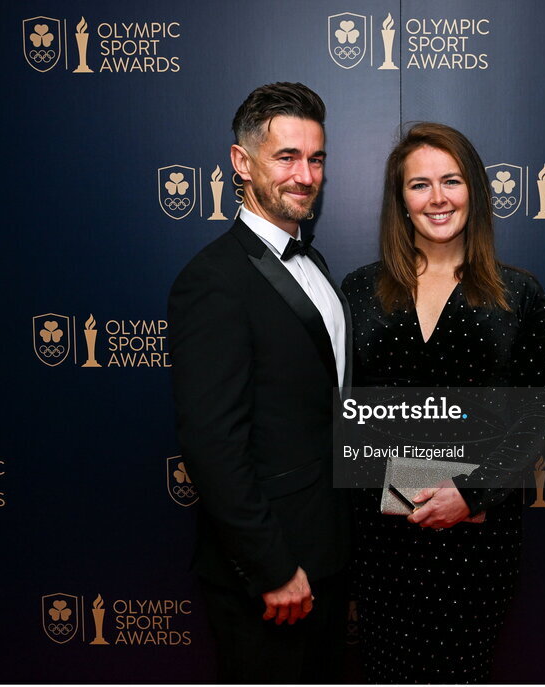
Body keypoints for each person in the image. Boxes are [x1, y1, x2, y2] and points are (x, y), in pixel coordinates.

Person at [341, 122, 545, 683]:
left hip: (476, 543)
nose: (437, 198)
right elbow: (344, 417)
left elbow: (537, 415)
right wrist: (413, 491)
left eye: (452, 181)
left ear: (476, 192)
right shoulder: (359, 292)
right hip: (382, 543)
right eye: (419, 185)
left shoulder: (520, 295)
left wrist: (470, 494)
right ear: (400, 201)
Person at [168, 82, 350, 683]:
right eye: (286, 157)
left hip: (326, 557)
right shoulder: (213, 280)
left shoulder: (315, 264)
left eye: (316, 158)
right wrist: (272, 568)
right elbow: (213, 444)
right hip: (270, 579)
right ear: (241, 163)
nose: (305, 175)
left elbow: (327, 411)